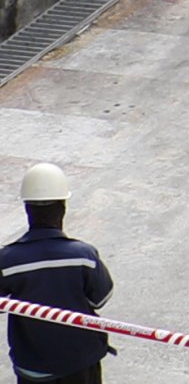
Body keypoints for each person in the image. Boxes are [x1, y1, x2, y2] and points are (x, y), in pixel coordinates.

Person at [0, 164, 108, 384]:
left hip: (32, 368)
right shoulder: (83, 256)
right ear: (63, 208)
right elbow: (101, 298)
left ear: (27, 209)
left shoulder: (7, 260)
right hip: (79, 363)